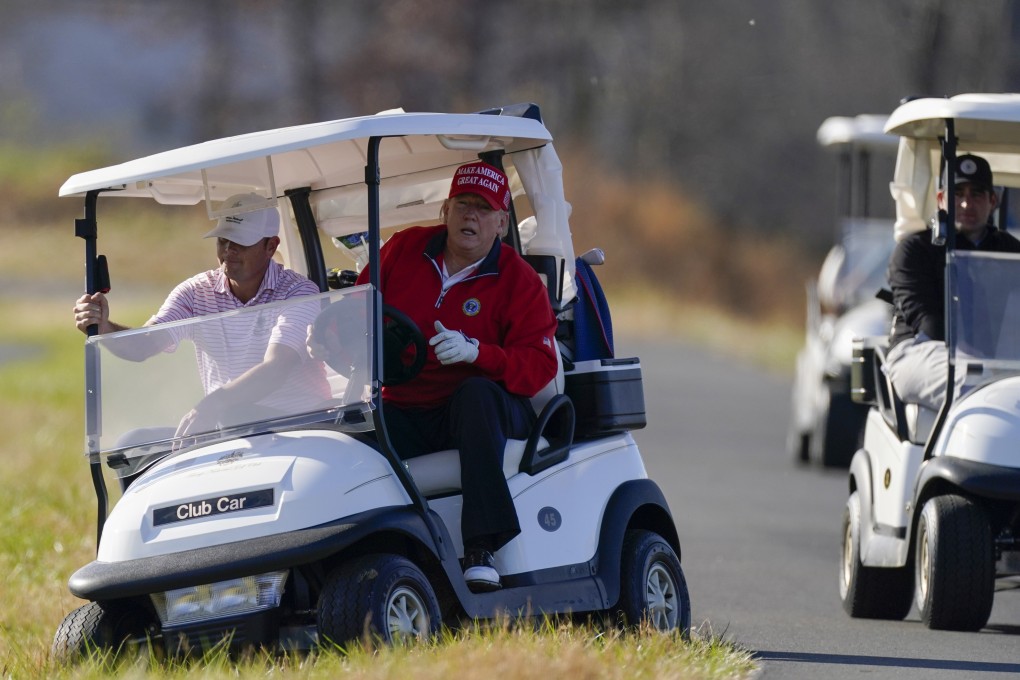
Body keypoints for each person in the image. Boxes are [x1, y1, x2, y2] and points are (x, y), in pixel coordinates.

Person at [358, 160, 559, 592]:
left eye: (484, 209)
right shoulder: (402, 250)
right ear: (444, 211)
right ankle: (359, 555)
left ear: (501, 223)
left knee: (475, 395)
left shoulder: (518, 280)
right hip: (406, 404)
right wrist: (331, 338)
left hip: (485, 412)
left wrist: (478, 353)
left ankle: (482, 548)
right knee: (350, 434)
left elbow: (539, 367)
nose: (471, 216)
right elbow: (355, 311)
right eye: (463, 204)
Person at [72, 192, 330, 437]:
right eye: (222, 240)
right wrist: (104, 327)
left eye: (240, 242)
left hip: (300, 427)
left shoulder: (299, 292)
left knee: (233, 416)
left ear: (271, 246)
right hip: (228, 424)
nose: (228, 250)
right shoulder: (196, 292)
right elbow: (145, 343)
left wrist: (212, 404)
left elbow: (277, 367)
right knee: (130, 443)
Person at [885, 154, 1020, 412]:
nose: (967, 203)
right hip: (920, 349)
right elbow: (929, 322)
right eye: (958, 193)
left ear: (993, 200)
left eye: (977, 194)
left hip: (993, 359)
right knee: (972, 384)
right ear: (941, 199)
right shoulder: (916, 249)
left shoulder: (1010, 251)